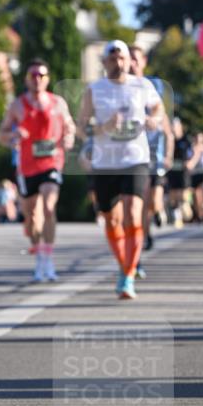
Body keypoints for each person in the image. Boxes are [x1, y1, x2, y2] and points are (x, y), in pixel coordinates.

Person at [78, 39, 163, 300]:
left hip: (135, 159)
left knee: (133, 215)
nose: (118, 62)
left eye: (122, 58)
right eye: (112, 58)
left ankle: (128, 275)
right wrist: (103, 127)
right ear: (104, 62)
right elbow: (81, 127)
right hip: (105, 164)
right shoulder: (95, 90)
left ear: (129, 61)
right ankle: (124, 265)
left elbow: (158, 107)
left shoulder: (142, 85)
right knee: (112, 220)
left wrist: (154, 118)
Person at [0, 59, 75, 282]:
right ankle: (38, 253)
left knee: (49, 208)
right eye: (33, 75)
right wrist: (13, 136)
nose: (37, 79)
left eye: (41, 75)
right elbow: (1, 134)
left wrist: (68, 138)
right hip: (27, 167)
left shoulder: (58, 103)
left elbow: (70, 126)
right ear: (27, 79)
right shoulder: (17, 105)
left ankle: (47, 259)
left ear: (47, 79)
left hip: (52, 162)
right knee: (31, 217)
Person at [128, 45, 173, 255]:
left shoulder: (151, 88)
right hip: (135, 156)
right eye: (129, 59)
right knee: (143, 201)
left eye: (136, 59)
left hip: (156, 155)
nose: (132, 63)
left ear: (143, 61)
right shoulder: (120, 90)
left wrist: (168, 155)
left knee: (154, 200)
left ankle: (159, 211)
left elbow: (168, 131)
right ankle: (146, 236)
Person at [167, 117, 193, 227]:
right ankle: (177, 217)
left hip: (183, 172)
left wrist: (190, 162)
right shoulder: (169, 139)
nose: (174, 128)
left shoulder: (186, 140)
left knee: (183, 195)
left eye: (175, 126)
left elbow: (191, 153)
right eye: (172, 126)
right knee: (173, 195)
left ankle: (186, 209)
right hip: (172, 172)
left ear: (180, 127)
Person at [188, 131, 203, 221]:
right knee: (197, 195)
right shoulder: (191, 148)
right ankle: (200, 214)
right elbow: (189, 161)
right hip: (195, 173)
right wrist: (196, 153)